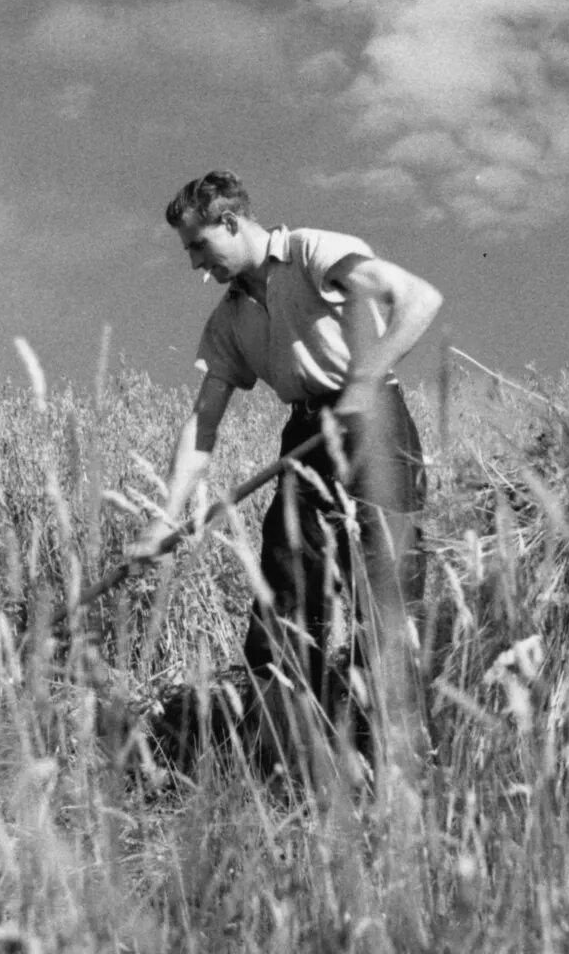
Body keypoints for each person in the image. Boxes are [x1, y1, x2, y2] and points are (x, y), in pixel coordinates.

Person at [142, 171, 443, 778]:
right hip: (304, 436)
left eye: (200, 246)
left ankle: (396, 758)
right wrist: (165, 518)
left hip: (373, 419)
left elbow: (419, 299)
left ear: (230, 222)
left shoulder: (311, 251)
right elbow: (203, 424)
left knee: (387, 589)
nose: (197, 265)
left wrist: (364, 379)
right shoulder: (229, 319)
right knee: (286, 593)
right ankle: (289, 760)